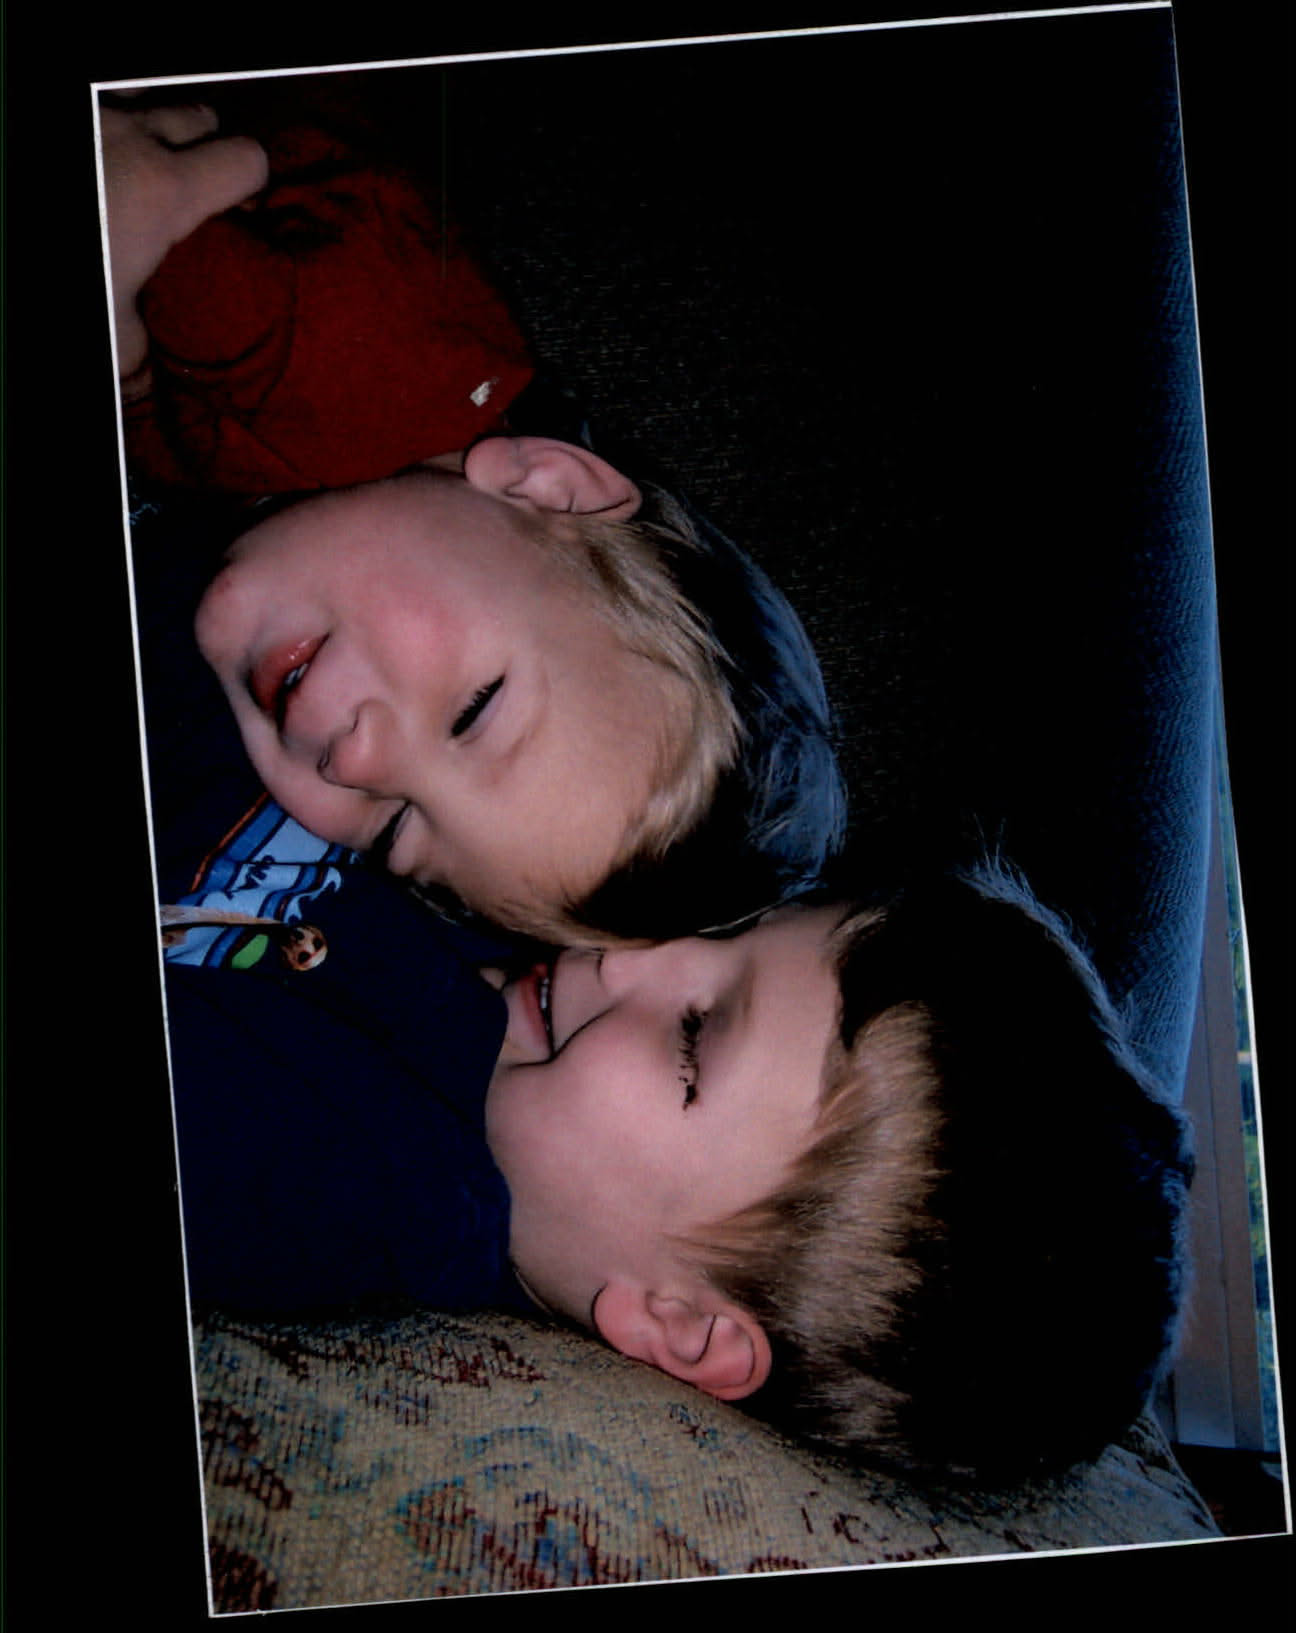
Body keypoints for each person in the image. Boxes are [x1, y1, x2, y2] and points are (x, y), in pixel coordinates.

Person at [172, 857, 1192, 1486]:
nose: (631, 951)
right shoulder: (487, 880)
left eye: (695, 1038)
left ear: (682, 1323)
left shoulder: (323, 1180)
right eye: (727, 924)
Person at [101, 91, 847, 943]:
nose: (356, 763)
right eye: (472, 712)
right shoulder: (333, 339)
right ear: (548, 489)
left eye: (396, 829)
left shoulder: (293, 509)